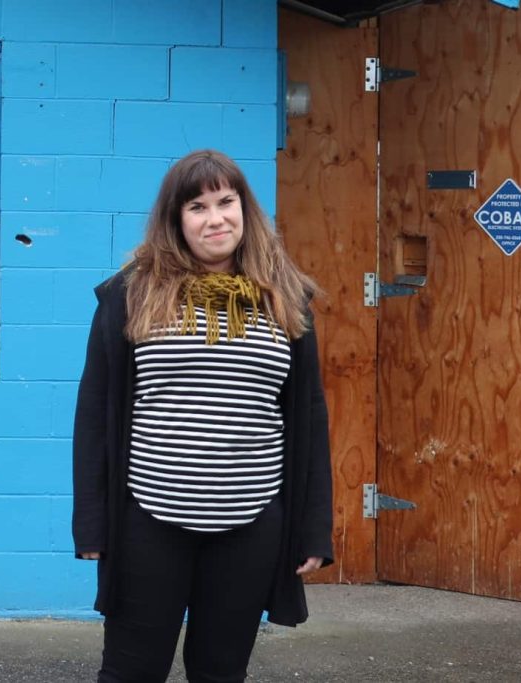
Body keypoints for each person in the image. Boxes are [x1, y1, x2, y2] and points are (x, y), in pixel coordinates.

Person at [72, 149, 334, 682]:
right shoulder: (132, 294)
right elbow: (96, 415)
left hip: (250, 522)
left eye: (226, 201)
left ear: (245, 208)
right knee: (130, 671)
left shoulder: (285, 298)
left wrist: (312, 528)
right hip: (149, 519)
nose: (215, 218)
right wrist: (92, 524)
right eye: (197, 206)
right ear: (176, 220)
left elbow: (308, 417)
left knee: (220, 672)